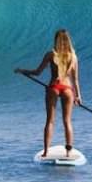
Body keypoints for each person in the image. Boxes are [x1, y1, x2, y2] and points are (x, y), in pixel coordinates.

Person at [15, 29, 82, 158]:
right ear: (68, 40)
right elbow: (75, 79)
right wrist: (78, 96)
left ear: (56, 40)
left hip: (54, 87)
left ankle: (46, 152)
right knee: (67, 121)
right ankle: (68, 153)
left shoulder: (51, 54)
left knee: (50, 121)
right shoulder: (73, 56)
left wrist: (23, 70)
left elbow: (37, 72)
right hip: (68, 89)